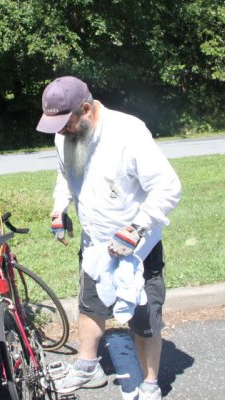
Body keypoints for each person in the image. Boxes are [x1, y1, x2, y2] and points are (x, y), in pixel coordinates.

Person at [36, 76, 181, 400]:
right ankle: (88, 367)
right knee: (90, 305)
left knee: (144, 319)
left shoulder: (127, 133)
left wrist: (137, 228)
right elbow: (65, 174)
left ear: (85, 109)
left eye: (65, 123)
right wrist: (60, 209)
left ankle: (149, 384)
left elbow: (169, 187)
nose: (60, 132)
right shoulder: (65, 138)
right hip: (94, 244)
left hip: (138, 247)